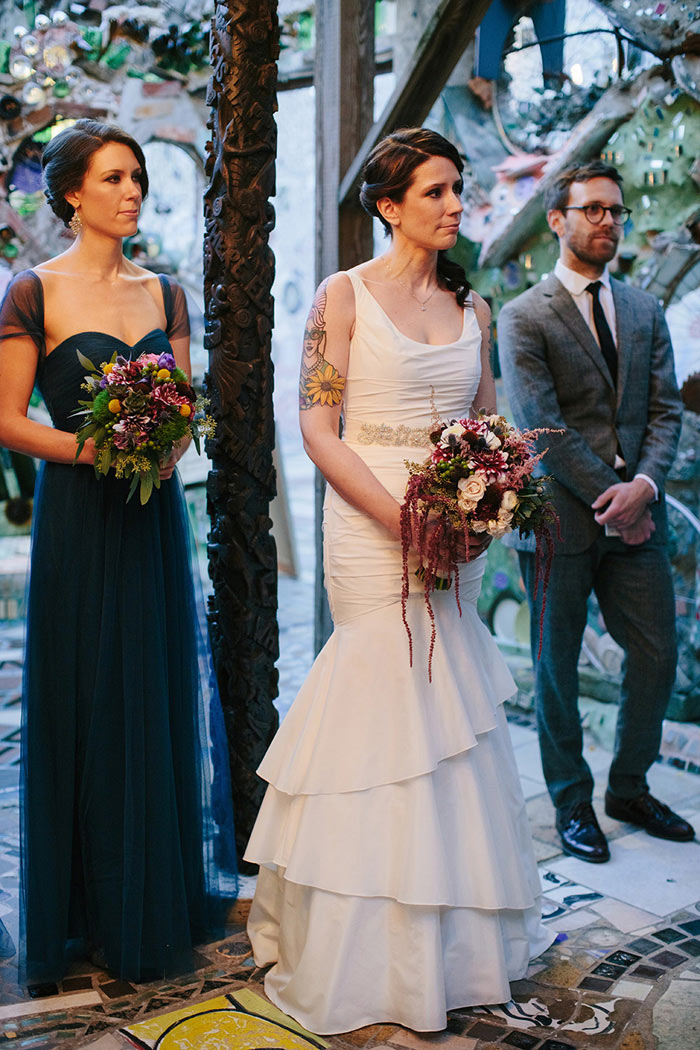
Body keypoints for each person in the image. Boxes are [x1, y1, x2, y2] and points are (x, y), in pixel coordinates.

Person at [244, 128, 555, 1035]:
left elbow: (489, 428)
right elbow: (318, 429)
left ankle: (452, 947)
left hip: (454, 533)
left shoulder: (477, 309)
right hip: (372, 526)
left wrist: (485, 512)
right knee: (382, 706)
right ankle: (359, 949)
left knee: (448, 712)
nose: (457, 205)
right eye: (436, 192)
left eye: (458, 189)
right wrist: (405, 519)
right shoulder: (340, 299)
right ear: (389, 206)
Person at [0, 119, 236, 983]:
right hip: (77, 515)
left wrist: (164, 445)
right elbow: (8, 419)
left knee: (152, 690)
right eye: (112, 177)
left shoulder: (165, 295)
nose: (131, 189)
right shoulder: (34, 291)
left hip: (149, 517)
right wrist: (96, 450)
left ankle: (151, 896)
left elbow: (177, 405)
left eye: (136, 175)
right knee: (86, 694)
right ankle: (82, 908)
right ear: (72, 194)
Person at [498, 160, 694, 864]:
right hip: (560, 522)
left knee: (655, 656)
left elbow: (666, 412)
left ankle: (629, 787)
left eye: (615, 210)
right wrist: (618, 497)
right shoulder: (523, 317)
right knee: (555, 666)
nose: (608, 221)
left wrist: (642, 487)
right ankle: (572, 800)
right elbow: (539, 428)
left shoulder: (644, 310)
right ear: (558, 220)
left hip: (637, 519)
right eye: (592, 210)